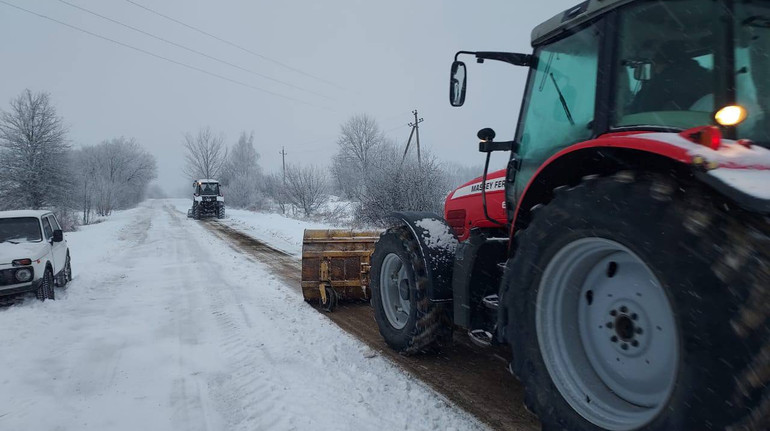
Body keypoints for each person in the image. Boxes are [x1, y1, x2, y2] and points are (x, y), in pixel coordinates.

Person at [627, 43, 712, 113]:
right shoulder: (709, 84)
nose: (655, 70)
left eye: (655, 64)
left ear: (662, 64)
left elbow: (640, 113)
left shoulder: (660, 86)